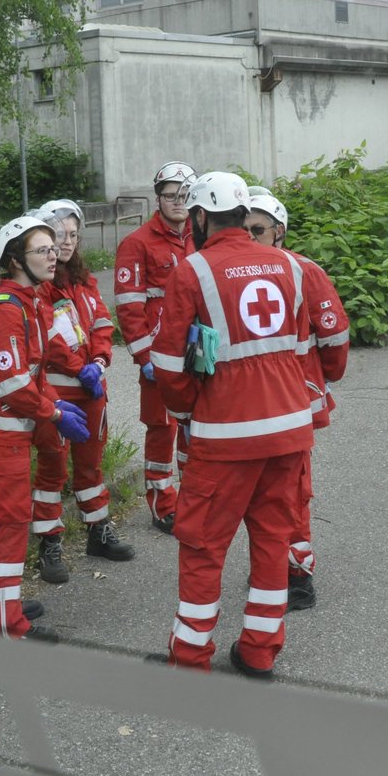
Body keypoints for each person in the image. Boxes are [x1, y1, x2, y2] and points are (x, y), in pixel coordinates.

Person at [146, 171, 314, 678]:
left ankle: (191, 654)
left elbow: (170, 366)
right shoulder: (293, 265)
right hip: (288, 430)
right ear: (246, 214)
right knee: (272, 542)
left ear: (198, 217)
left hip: (224, 435)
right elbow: (310, 347)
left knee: (202, 545)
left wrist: (186, 412)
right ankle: (260, 649)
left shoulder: (192, 270)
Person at [0, 215, 92, 642]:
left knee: (4, 521)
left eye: (53, 247)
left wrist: (55, 403)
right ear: (16, 258)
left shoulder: (29, 300)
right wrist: (55, 414)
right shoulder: (6, 309)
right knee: (8, 522)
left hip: (14, 431)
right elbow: (13, 384)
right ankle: (7, 624)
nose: (54, 254)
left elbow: (33, 374)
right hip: (3, 434)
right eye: (42, 249)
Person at [244, 189, 349, 613]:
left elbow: (334, 335)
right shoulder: (234, 274)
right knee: (258, 492)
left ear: (279, 231)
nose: (250, 237)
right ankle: (270, 566)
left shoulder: (305, 271)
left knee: (292, 489)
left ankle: (297, 573)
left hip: (294, 400)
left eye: (258, 229)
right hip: (251, 403)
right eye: (243, 229)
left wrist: (319, 379)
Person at [30, 198, 134, 584]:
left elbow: (102, 325)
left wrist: (101, 362)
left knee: (92, 464)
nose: (67, 242)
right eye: (59, 234)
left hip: (92, 388)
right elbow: (49, 341)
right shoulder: (39, 286)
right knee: (53, 468)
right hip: (57, 394)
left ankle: (98, 531)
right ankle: (50, 543)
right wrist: (80, 368)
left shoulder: (84, 282)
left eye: (73, 234)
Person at [112, 160, 197, 535]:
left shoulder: (204, 236)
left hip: (198, 357)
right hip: (159, 360)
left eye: (183, 195)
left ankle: (194, 501)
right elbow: (129, 307)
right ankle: (164, 505)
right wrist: (145, 356)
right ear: (157, 198)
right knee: (161, 431)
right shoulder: (137, 244)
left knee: (196, 431)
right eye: (169, 195)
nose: (177, 202)